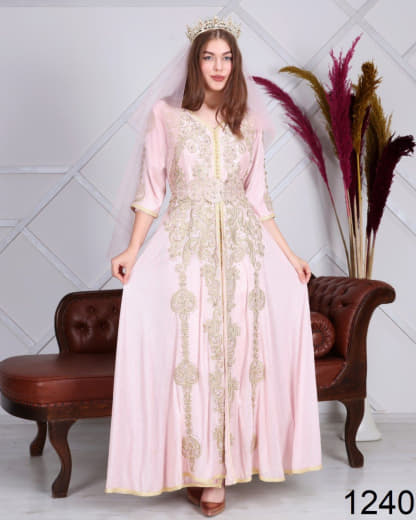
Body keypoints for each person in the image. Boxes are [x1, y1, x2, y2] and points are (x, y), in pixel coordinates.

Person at [105, 16, 322, 517]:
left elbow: (259, 198)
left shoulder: (249, 122)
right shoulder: (166, 116)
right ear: (195, 62)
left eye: (226, 57)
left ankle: (223, 472)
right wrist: (132, 250)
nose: (218, 66)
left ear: (235, 64)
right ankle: (197, 468)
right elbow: (152, 191)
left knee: (239, 355)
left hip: (245, 254)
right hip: (187, 252)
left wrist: (290, 256)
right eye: (209, 56)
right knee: (194, 356)